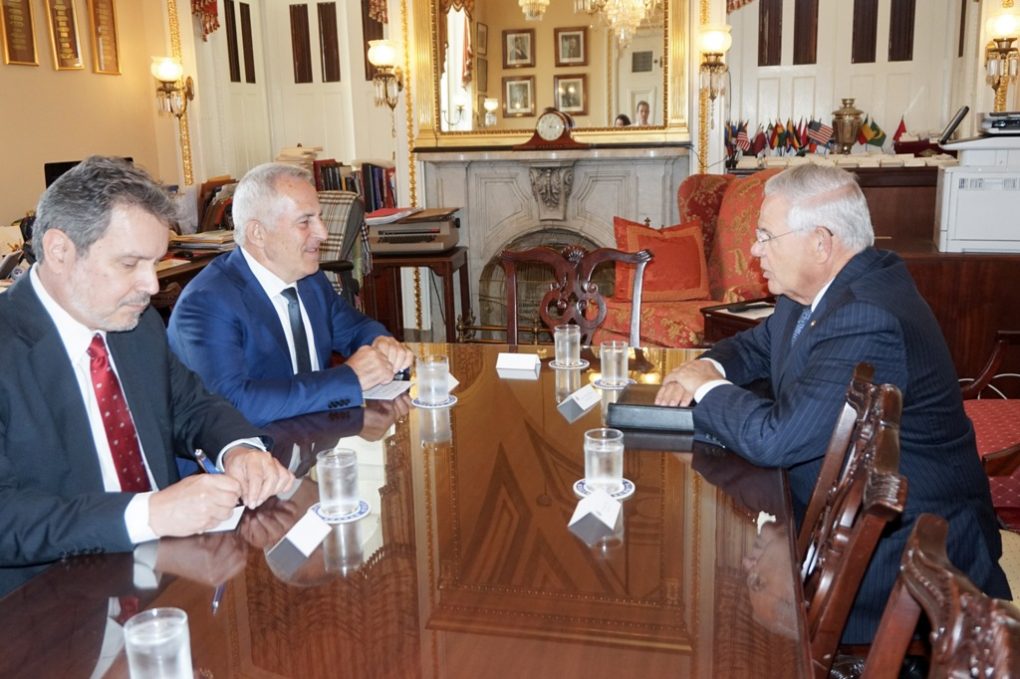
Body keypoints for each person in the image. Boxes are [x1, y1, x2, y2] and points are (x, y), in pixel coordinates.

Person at [655, 164, 1009, 644]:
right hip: (845, 505)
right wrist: (708, 367)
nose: (755, 250)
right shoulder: (810, 293)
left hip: (907, 552)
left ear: (821, 243)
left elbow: (775, 440)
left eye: (766, 236)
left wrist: (705, 389)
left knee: (733, 621)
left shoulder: (866, 313)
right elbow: (756, 347)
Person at [0, 156, 294, 596]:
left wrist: (239, 450)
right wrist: (149, 514)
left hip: (168, 572)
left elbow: (190, 405)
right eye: (129, 264)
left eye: (154, 263)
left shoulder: (135, 324)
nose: (152, 286)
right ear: (60, 250)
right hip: (50, 598)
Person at [168, 163, 414, 427]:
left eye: (319, 218)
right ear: (258, 233)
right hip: (249, 447)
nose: (323, 233)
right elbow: (232, 405)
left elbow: (355, 329)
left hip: (314, 435)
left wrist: (380, 343)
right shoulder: (208, 302)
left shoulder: (310, 280)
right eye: (305, 222)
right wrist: (348, 379)